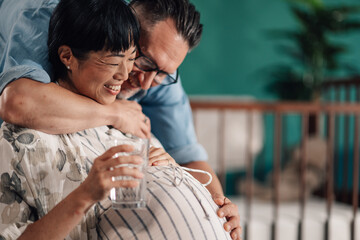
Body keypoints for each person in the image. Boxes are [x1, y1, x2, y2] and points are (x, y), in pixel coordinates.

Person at [0, 0, 241, 238]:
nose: (144, 82)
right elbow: (18, 103)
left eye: (162, 74)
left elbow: (190, 159)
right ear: (127, 29)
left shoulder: (160, 72)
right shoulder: (52, 18)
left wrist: (220, 208)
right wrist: (116, 112)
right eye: (142, 60)